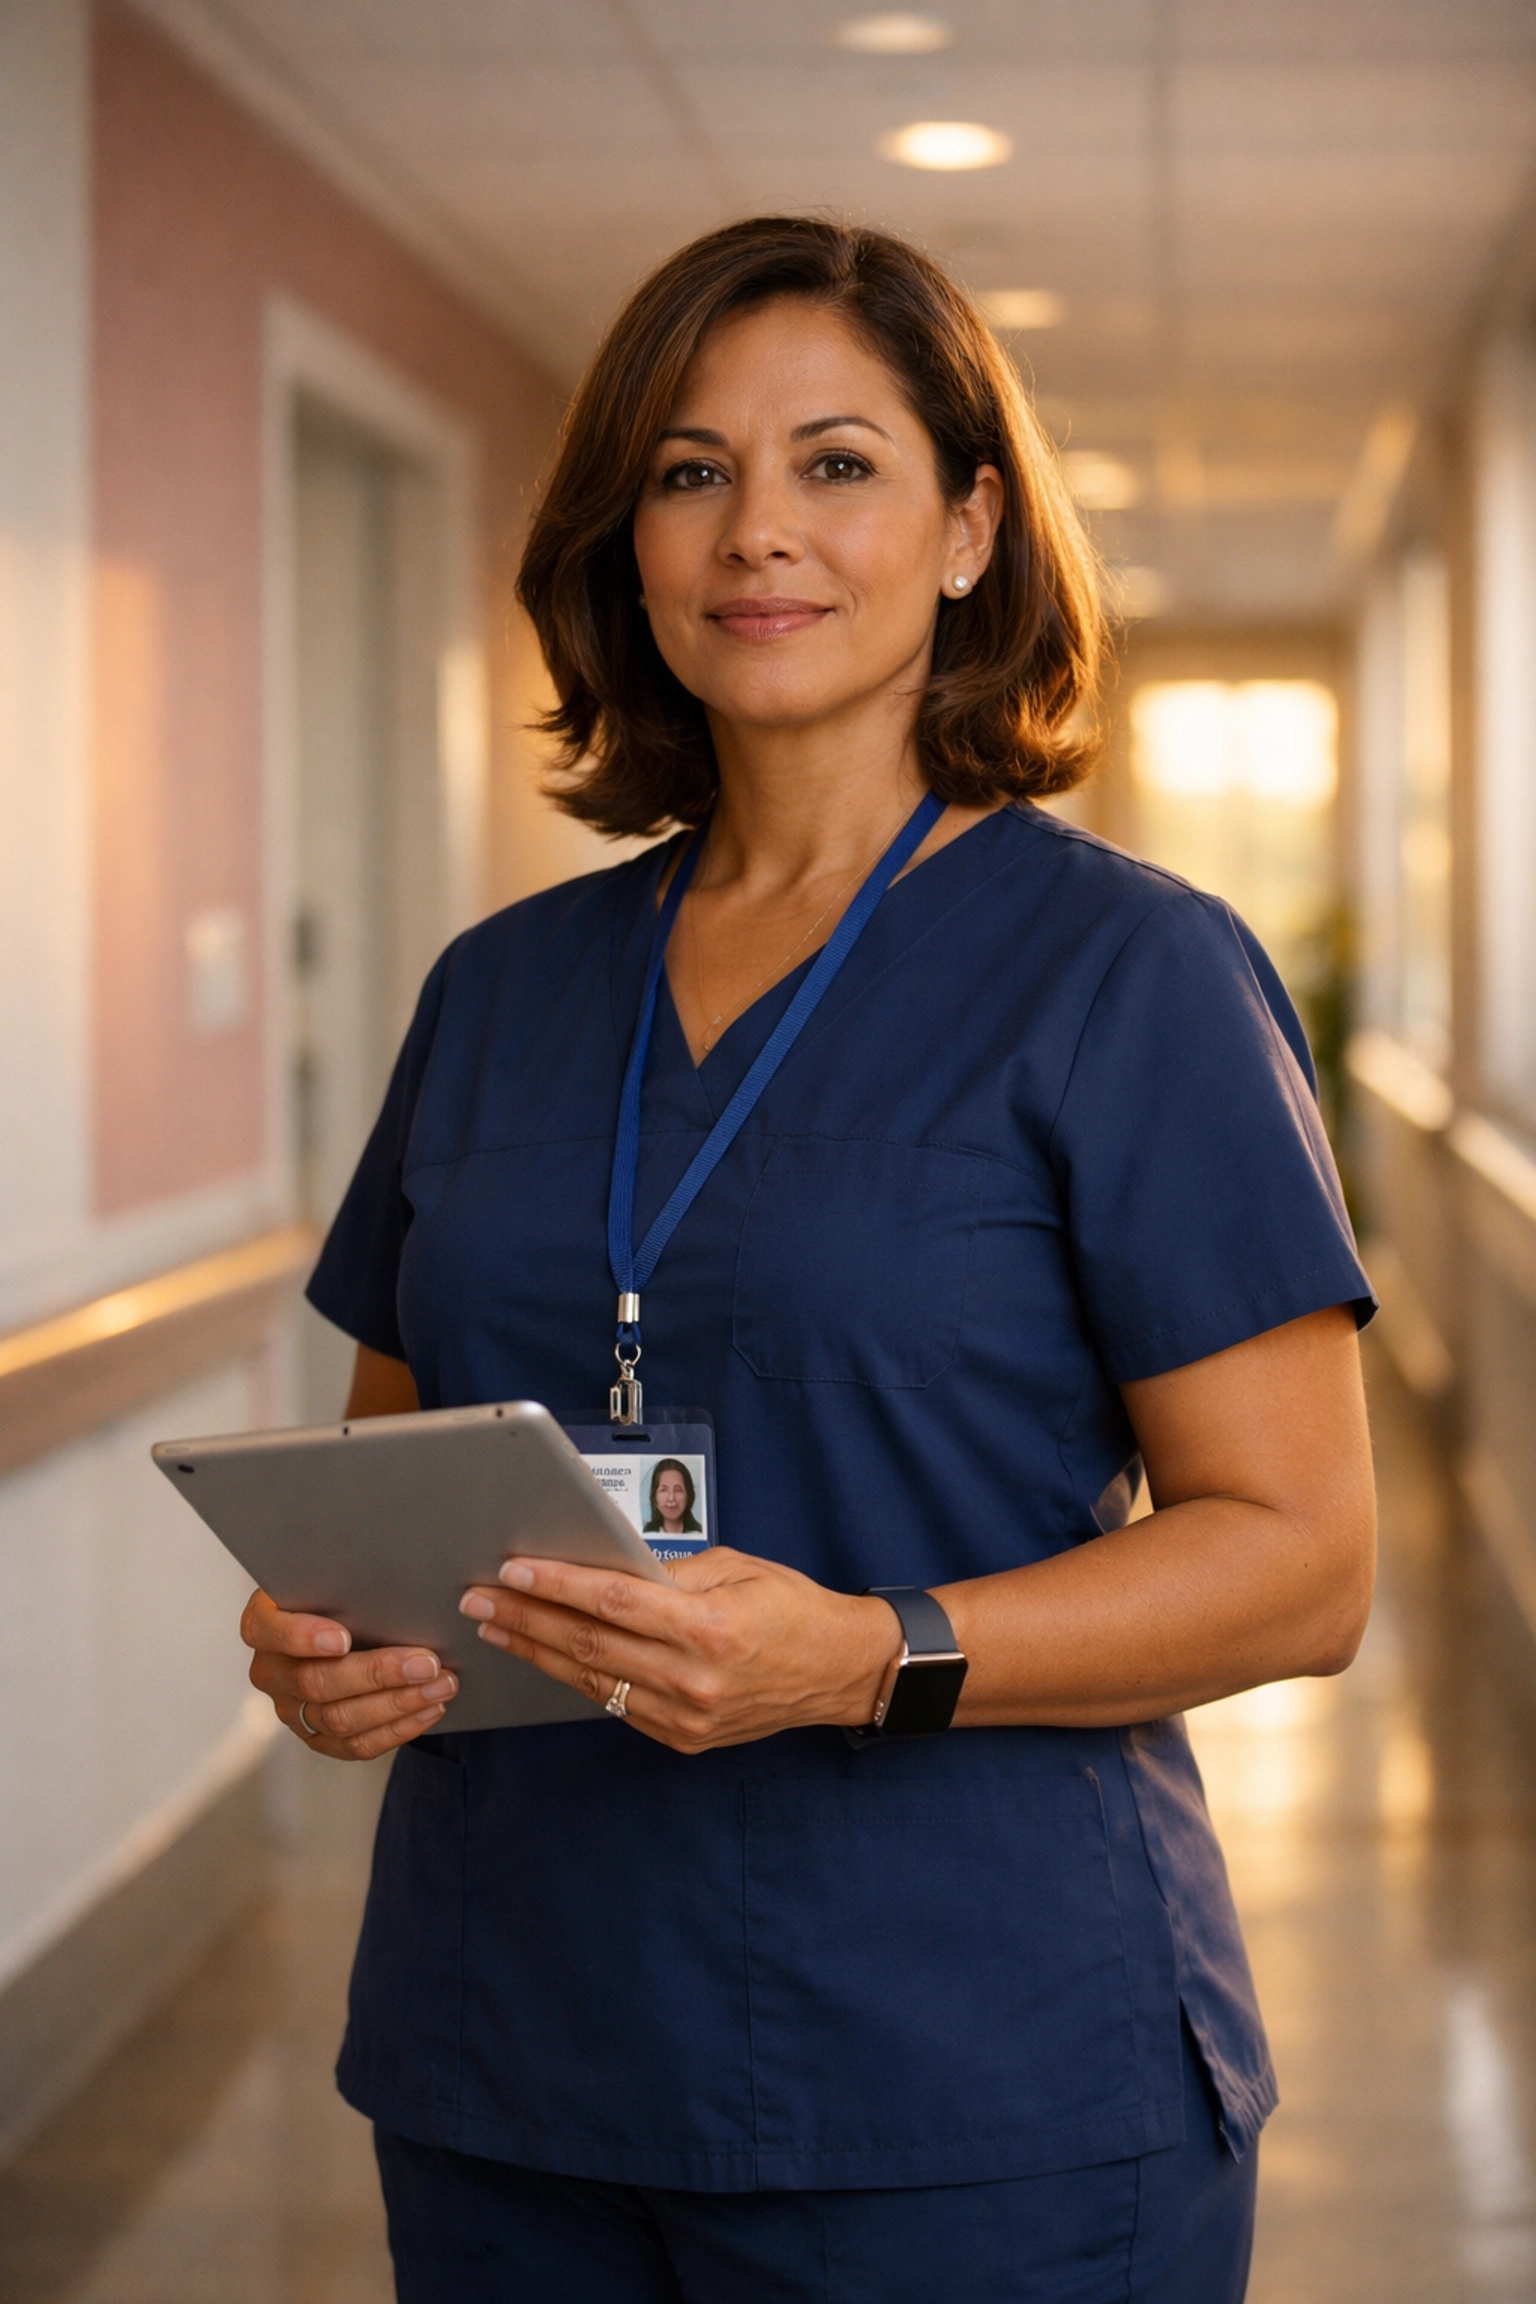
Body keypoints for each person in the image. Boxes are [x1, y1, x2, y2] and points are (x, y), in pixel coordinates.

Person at [242, 217, 1377, 2302]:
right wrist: (328, 1651)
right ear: (628, 542)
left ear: (968, 528)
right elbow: (382, 1482)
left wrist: (867, 1649)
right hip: (513, 2073)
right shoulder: (500, 989)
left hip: (973, 2089)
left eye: (836, 463)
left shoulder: (1128, 975)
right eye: (690, 472)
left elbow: (1304, 1559)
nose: (757, 531)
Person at [644, 1458, 701, 1537]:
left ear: (689, 1495)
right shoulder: (646, 1537)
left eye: (678, 1490)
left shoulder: (698, 1536)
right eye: (664, 1490)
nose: (671, 1498)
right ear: (654, 1496)